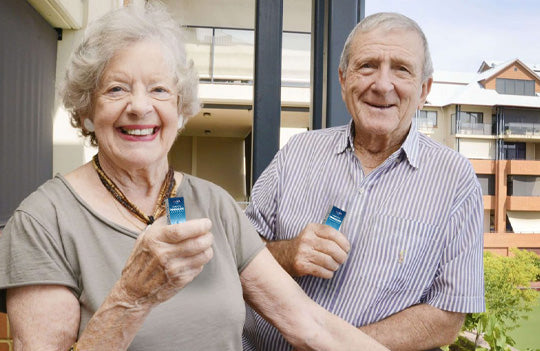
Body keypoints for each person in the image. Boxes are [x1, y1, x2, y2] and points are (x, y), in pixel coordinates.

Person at [0, 4, 389, 351]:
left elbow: (310, 324)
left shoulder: (214, 204)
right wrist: (131, 298)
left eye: (159, 89)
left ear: (181, 107)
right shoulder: (43, 220)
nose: (140, 106)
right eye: (116, 89)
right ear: (87, 108)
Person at [243, 12, 485, 351]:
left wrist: (332, 345)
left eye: (401, 69)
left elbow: (447, 316)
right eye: (367, 65)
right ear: (343, 80)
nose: (382, 85)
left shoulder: (455, 181)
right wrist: (287, 253)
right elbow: (237, 258)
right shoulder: (297, 152)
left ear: (424, 90)